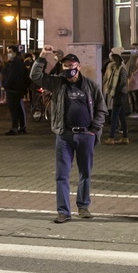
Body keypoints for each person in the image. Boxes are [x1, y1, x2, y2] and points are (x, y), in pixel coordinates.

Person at [31, 47, 107, 224]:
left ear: (78, 66)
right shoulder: (57, 83)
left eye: (71, 65)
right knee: (62, 175)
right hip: (64, 135)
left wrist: (94, 129)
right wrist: (43, 56)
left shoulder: (90, 86)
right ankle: (64, 211)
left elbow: (101, 109)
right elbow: (35, 77)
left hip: (85, 135)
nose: (68, 68)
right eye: (65, 66)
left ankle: (83, 206)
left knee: (85, 173)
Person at [102, 52, 129, 145]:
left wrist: (116, 91)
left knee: (114, 116)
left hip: (119, 94)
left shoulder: (121, 68)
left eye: (113, 59)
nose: (111, 61)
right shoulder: (116, 67)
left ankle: (111, 137)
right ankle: (125, 137)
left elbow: (123, 81)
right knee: (121, 116)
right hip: (120, 94)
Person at [1, 45, 28, 135]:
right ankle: (22, 126)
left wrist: (5, 85)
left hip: (13, 89)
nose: (9, 54)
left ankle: (15, 127)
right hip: (18, 89)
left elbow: (11, 77)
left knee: (14, 109)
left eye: (10, 52)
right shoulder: (19, 63)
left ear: (15, 53)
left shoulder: (14, 64)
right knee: (18, 108)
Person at [126, 43, 138, 118]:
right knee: (131, 96)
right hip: (130, 80)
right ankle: (133, 110)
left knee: (135, 96)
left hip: (136, 80)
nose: (132, 50)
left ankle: (137, 110)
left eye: (134, 48)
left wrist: (133, 74)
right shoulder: (131, 58)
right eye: (131, 48)